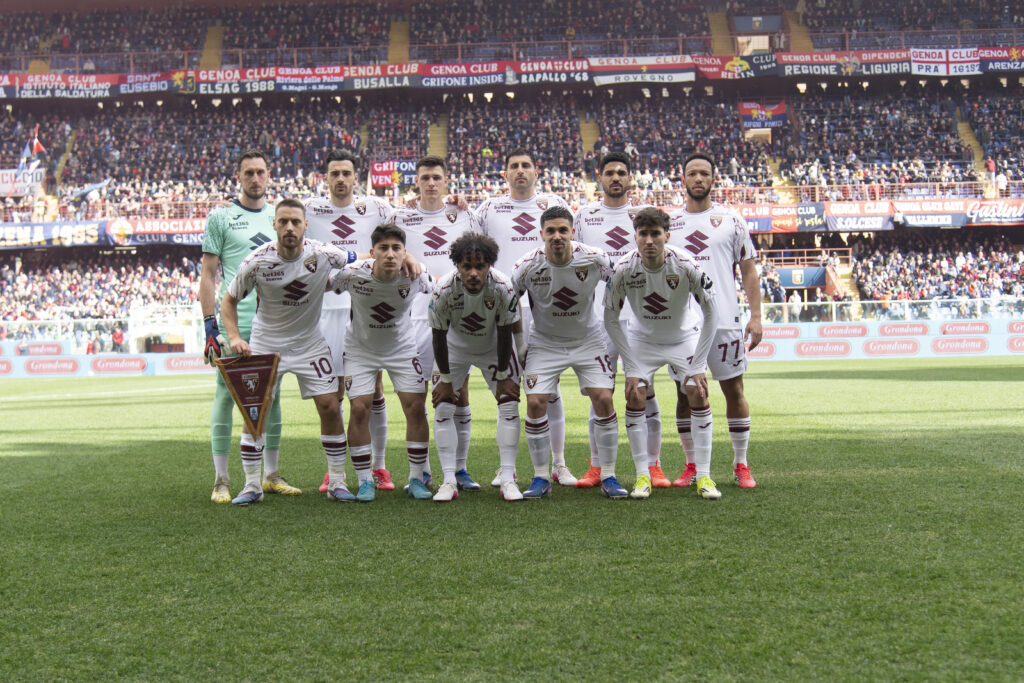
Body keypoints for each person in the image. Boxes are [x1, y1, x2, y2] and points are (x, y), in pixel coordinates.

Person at [220, 198, 360, 505]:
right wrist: (234, 337)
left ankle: (337, 481)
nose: (289, 227)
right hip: (266, 343)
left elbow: (361, 258)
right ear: (274, 224)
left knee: (329, 405)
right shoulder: (257, 260)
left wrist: (405, 258)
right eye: (283, 221)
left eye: (295, 222)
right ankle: (252, 485)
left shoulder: (323, 253)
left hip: (310, 343)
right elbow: (228, 301)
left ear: (305, 225)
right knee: (256, 410)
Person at [304, 150, 404, 493]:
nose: (341, 179)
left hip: (365, 305)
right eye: (334, 173)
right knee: (331, 392)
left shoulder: (376, 208)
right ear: (326, 178)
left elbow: (407, 227)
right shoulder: (309, 209)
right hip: (325, 307)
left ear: (355, 177)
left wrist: (455, 203)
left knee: (372, 389)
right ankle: (334, 471)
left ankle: (379, 467)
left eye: (346, 173)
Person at [604, 207, 720, 500]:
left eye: (655, 234)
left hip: (683, 338)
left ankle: (704, 476)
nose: (649, 241)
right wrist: (630, 365)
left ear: (667, 236)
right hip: (642, 341)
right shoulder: (623, 269)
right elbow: (610, 318)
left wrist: (699, 364)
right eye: (643, 234)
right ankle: (643, 475)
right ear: (635, 237)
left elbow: (712, 312)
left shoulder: (686, 264)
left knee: (697, 392)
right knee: (635, 395)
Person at [511, 205, 625, 499]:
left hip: (588, 340)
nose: (557, 236)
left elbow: (620, 281)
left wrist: (614, 317)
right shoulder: (527, 266)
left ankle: (609, 475)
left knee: (604, 398)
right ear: (541, 234)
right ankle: (540, 477)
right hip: (545, 342)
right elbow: (509, 303)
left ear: (573, 232)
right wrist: (521, 343)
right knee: (535, 402)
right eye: (550, 231)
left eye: (563, 230)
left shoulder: (595, 258)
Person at [476, 149, 575, 487]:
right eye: (514, 166)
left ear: (536, 171)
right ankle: (507, 467)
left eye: (526, 166)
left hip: (545, 308)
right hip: (503, 309)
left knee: (551, 389)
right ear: (505, 174)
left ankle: (559, 463)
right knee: (506, 388)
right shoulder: (488, 208)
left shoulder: (553, 204)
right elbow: (469, 240)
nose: (520, 171)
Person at [201, 150, 291, 504]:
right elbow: (208, 274)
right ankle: (221, 479)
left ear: (269, 175)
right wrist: (209, 325)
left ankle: (271, 475)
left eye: (260, 172)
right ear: (238, 177)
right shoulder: (221, 217)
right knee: (226, 394)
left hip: (273, 321)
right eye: (248, 173)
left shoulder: (278, 216)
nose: (255, 178)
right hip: (233, 321)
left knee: (273, 394)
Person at [574, 151, 668, 488]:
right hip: (600, 319)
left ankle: (654, 466)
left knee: (645, 389)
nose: (616, 177)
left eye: (622, 172)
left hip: (641, 317)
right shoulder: (584, 216)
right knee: (601, 391)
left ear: (630, 178)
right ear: (599, 177)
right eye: (610, 172)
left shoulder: (644, 216)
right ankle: (597, 465)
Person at [669, 153, 762, 490]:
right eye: (692, 173)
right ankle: (692, 464)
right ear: (683, 179)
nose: (698, 178)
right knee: (685, 393)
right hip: (683, 325)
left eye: (704, 173)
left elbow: (748, 270)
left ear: (713, 179)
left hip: (724, 320)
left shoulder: (731, 220)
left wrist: (756, 315)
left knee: (733, 390)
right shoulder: (670, 224)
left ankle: (741, 464)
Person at [392, 155, 481, 491]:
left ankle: (460, 469)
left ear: (446, 181)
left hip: (457, 313)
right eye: (425, 177)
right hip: (414, 315)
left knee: (459, 392)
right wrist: (406, 255)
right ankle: (423, 471)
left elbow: (479, 258)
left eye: (436, 177)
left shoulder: (463, 215)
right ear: (416, 181)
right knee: (417, 395)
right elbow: (384, 250)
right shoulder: (400, 216)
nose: (431, 183)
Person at [328, 224, 434, 502]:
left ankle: (416, 477)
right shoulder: (353, 274)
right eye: (383, 248)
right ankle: (365, 481)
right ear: (372, 252)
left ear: (404, 252)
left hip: (402, 348)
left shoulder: (416, 274)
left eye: (396, 248)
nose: (389, 254)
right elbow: (324, 284)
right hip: (360, 350)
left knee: (415, 406)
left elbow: (441, 289)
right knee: (359, 408)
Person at [429, 233, 522, 502]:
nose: (473, 273)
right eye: (466, 266)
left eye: (479, 266)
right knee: (443, 407)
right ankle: (449, 481)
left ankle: (508, 478)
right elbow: (438, 336)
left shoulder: (502, 286)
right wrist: (446, 379)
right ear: (456, 265)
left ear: (489, 265)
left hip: (493, 348)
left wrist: (503, 375)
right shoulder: (443, 290)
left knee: (508, 404)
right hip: (454, 350)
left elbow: (505, 331)